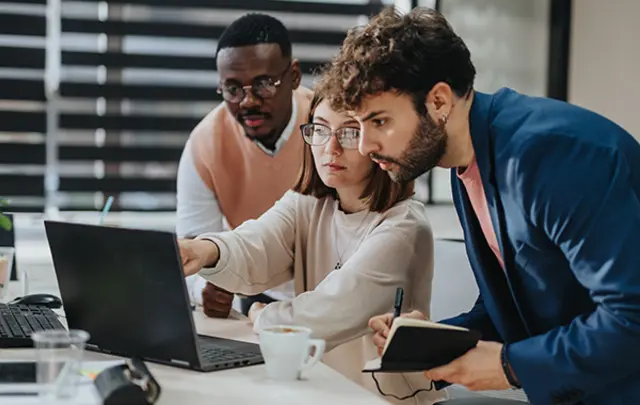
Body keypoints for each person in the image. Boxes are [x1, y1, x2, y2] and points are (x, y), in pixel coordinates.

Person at [315, 6, 640, 405]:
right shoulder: (465, 162)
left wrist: (509, 366)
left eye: (379, 121)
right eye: (359, 125)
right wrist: (431, 342)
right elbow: (515, 303)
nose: (365, 145)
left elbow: (632, 316)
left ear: (437, 101)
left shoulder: (551, 154)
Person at [178, 94, 445, 404]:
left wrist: (260, 313)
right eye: (320, 129)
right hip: (323, 393)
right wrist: (203, 250)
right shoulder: (308, 204)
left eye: (348, 132)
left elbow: (325, 313)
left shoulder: (404, 227)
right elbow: (256, 243)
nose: (330, 148)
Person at [177, 13, 313, 318]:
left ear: (293, 76)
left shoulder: (328, 128)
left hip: (329, 292)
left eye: (263, 84)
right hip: (255, 297)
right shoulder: (204, 144)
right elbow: (192, 247)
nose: (248, 102)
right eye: (233, 89)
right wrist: (205, 288)